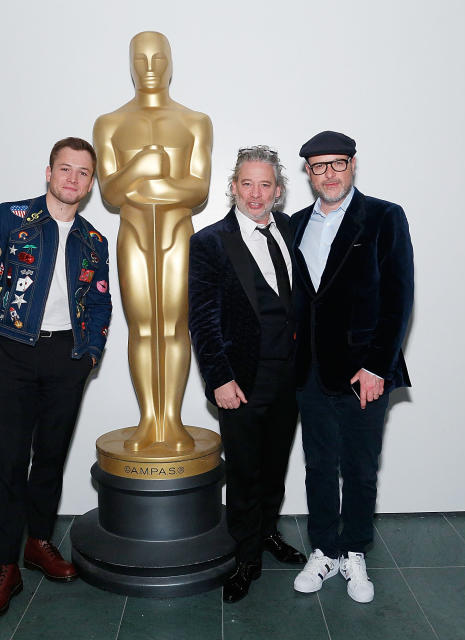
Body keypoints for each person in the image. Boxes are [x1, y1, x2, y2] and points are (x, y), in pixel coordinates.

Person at [0, 137, 112, 619]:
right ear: (48, 173)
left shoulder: (94, 240)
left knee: (50, 457)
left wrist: (89, 353)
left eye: (83, 173)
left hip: (65, 358)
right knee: (9, 462)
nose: (73, 179)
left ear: (92, 182)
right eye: (65, 169)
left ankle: (39, 542)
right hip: (9, 353)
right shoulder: (10, 218)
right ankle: (5, 567)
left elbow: (99, 300)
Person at [290, 131, 413, 604]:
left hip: (365, 372)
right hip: (311, 373)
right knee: (318, 466)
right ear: (308, 173)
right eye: (318, 167)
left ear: (353, 164)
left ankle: (354, 552)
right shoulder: (296, 224)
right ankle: (323, 549)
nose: (329, 174)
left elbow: (399, 298)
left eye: (337, 163)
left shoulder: (384, 217)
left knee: (360, 468)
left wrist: (377, 367)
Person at [189, 146, 307, 603]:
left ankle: (267, 533)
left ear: (278, 190)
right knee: (243, 471)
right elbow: (202, 317)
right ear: (233, 187)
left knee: (276, 465)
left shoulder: (293, 230)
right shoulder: (209, 242)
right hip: (240, 380)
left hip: (292, 377)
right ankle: (245, 556)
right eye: (247, 184)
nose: (255, 194)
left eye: (265, 185)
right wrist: (218, 377)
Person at [93, 31, 212, 452]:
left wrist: (146, 188)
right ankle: (149, 420)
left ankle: (172, 421)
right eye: (140, 58)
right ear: (129, 63)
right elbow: (110, 192)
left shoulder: (195, 122)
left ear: (170, 62)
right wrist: (144, 165)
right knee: (142, 327)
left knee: (176, 327)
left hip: (179, 235)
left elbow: (198, 190)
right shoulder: (109, 124)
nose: (149, 66)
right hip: (134, 235)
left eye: (158, 57)